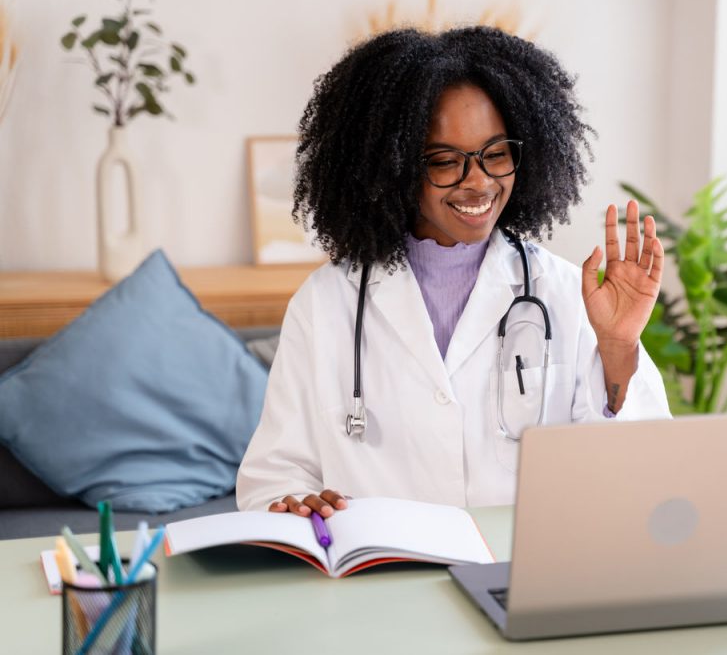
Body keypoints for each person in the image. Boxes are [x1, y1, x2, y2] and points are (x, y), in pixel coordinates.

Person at [236, 26, 671, 518]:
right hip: (382, 582)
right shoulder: (325, 303)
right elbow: (273, 477)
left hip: (517, 575)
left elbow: (635, 473)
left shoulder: (565, 292)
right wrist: (296, 506)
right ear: (392, 165)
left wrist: (616, 348)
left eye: (497, 154)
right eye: (445, 161)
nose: (479, 182)